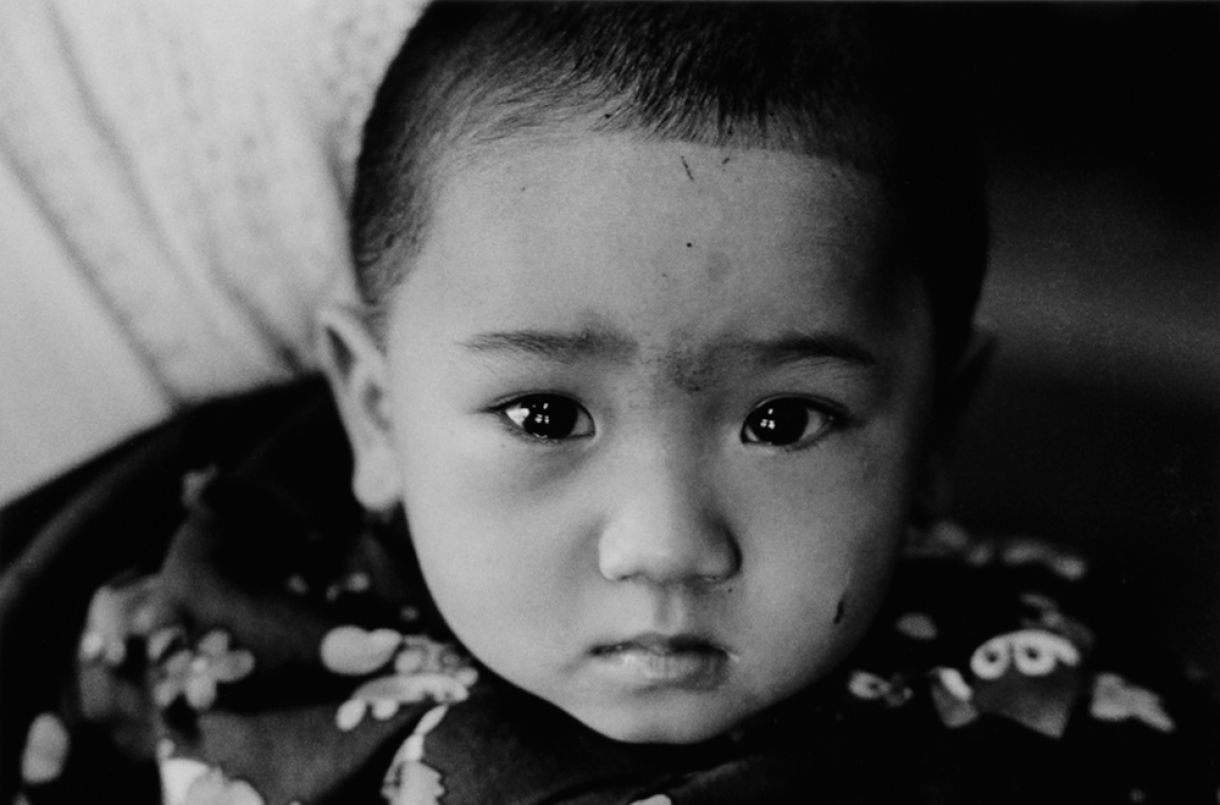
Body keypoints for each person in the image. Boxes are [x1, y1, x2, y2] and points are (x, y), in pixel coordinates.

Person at [2, 3, 1215, 804]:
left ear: (935, 431)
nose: (664, 543)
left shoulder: (1062, 719)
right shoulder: (205, 632)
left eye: (781, 421)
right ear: (375, 409)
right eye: (542, 415)